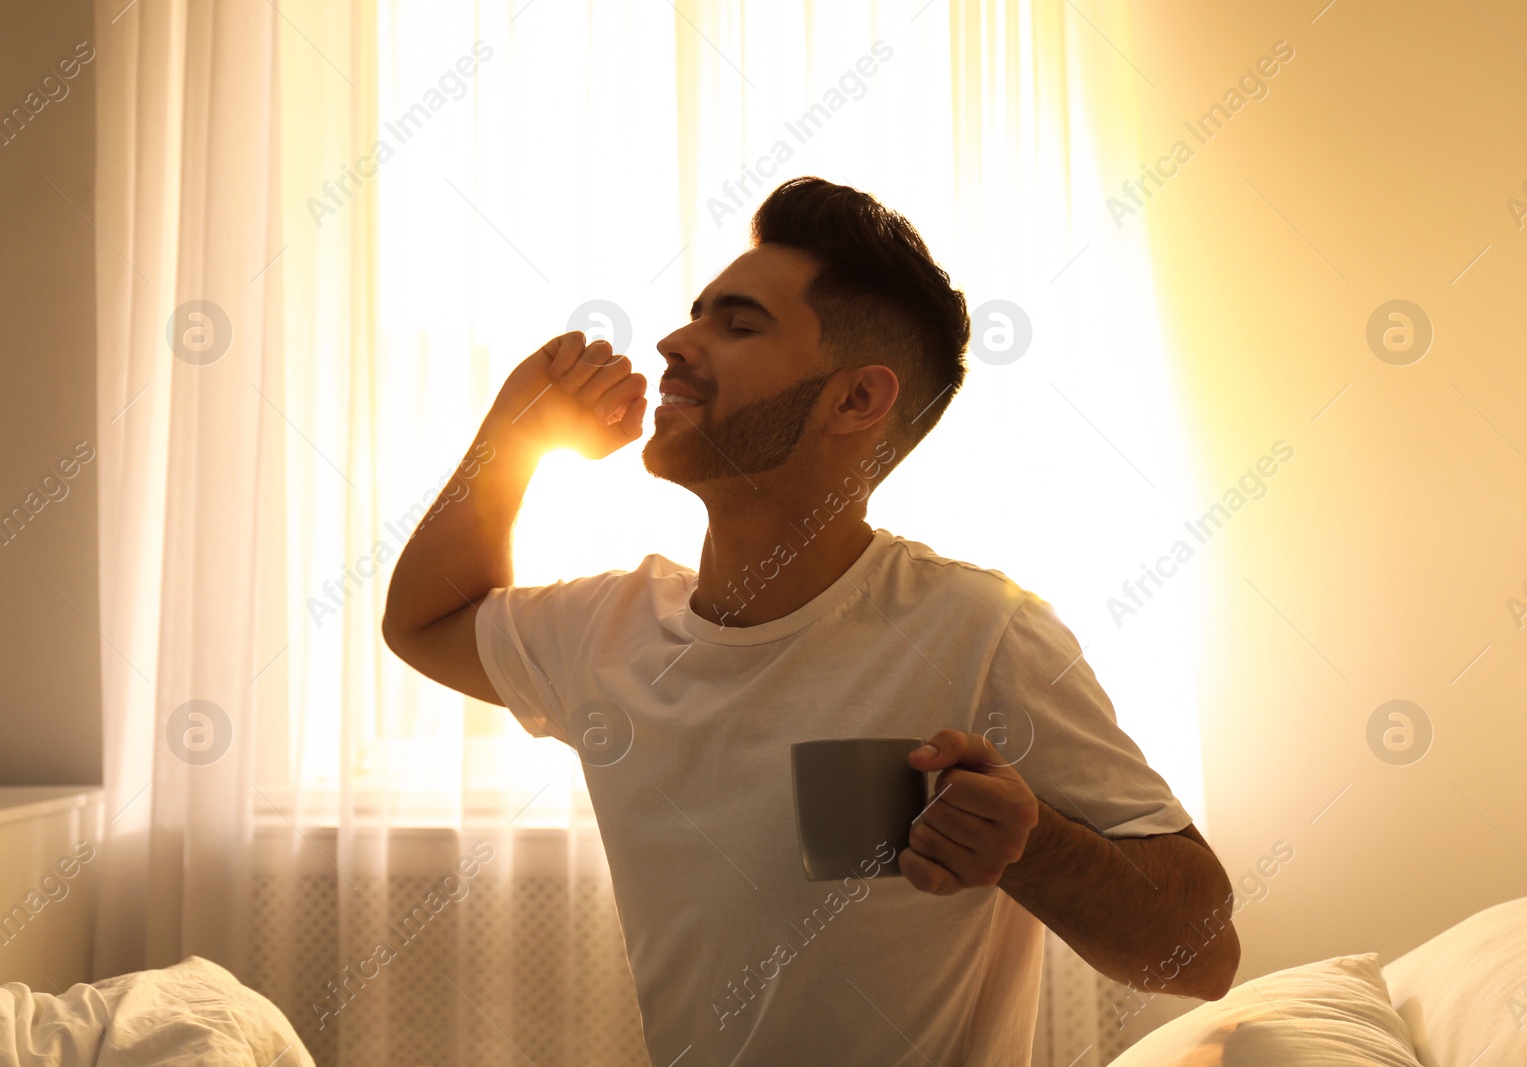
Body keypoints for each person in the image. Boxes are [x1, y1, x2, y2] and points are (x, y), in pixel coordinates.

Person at [383, 176, 1240, 1065]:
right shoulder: (603, 631)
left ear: (856, 400)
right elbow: (423, 619)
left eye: (738, 323)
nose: (675, 341)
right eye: (695, 313)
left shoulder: (981, 630)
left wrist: (1033, 846)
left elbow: (1203, 954)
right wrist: (513, 431)